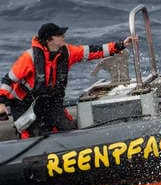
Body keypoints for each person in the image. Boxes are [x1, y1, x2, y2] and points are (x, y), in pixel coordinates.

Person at [0, 23, 131, 139]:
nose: (63, 36)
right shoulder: (29, 58)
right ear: (49, 39)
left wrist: (120, 45)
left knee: (67, 129)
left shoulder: (67, 52)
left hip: (48, 101)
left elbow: (92, 51)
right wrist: (1, 104)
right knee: (30, 135)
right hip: (24, 104)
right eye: (59, 35)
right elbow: (9, 80)